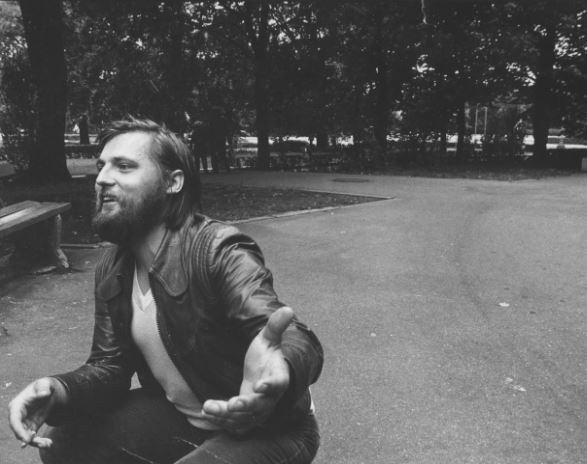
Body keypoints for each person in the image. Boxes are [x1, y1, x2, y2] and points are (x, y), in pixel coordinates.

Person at [8, 117, 324, 464]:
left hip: (273, 429)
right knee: (64, 441)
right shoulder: (113, 266)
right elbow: (109, 367)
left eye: (124, 166)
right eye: (101, 167)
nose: (102, 179)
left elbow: (291, 335)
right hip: (185, 418)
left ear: (173, 182)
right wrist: (58, 389)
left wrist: (282, 368)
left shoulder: (217, 249)